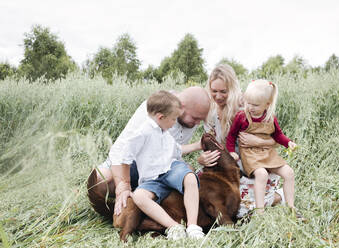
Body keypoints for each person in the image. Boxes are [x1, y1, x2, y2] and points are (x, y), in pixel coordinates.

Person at [90, 86, 210, 220]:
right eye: (195, 118)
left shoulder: (192, 116)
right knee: (100, 181)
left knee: (188, 172)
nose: (197, 124)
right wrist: (123, 185)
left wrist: (199, 146)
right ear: (180, 106)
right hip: (132, 165)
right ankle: (132, 196)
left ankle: (146, 196)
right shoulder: (156, 108)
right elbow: (121, 150)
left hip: (160, 167)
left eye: (201, 120)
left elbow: (173, 149)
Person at [113, 90, 205, 239]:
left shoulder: (164, 131)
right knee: (139, 196)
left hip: (170, 170)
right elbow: (125, 158)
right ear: (161, 117)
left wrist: (198, 145)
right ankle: (173, 226)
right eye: (174, 119)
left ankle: (193, 226)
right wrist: (126, 184)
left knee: (190, 177)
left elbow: (178, 150)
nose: (175, 122)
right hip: (152, 178)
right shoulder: (141, 133)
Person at [200, 64, 286, 217]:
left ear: (231, 89)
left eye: (223, 92)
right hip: (225, 163)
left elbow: (276, 139)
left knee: (239, 210)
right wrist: (204, 158)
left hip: (250, 164)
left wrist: (259, 142)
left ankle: (276, 197)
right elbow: (211, 142)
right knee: (204, 192)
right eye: (214, 91)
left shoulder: (246, 107)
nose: (218, 96)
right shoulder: (210, 110)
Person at [226, 79, 298, 215]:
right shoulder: (242, 117)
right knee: (262, 174)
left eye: (255, 105)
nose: (250, 107)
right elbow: (231, 136)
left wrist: (288, 142)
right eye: (247, 103)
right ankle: (260, 211)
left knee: (289, 173)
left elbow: (278, 135)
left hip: (267, 153)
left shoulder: (271, 117)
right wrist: (231, 152)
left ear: (267, 104)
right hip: (250, 155)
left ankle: (291, 207)